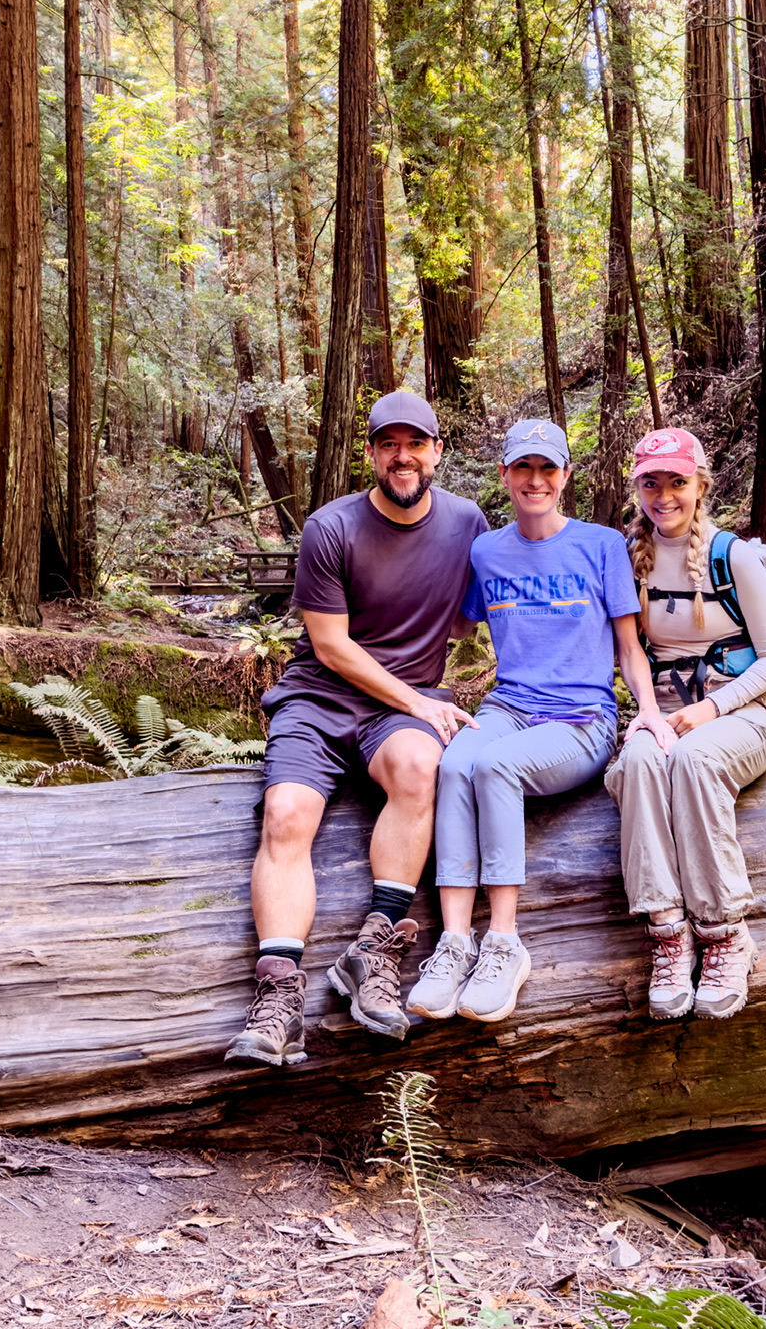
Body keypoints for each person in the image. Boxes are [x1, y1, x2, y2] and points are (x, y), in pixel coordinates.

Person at [225, 390, 488, 1068]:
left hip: (401, 710)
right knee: (285, 813)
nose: (403, 457)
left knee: (419, 770)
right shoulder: (330, 527)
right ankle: (279, 995)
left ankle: (373, 949)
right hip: (318, 697)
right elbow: (333, 645)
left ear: (437, 451)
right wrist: (421, 700)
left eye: (416, 444)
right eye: (388, 445)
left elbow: (474, 615)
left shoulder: (467, 523)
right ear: (371, 454)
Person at [406, 419, 662, 1027]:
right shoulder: (487, 551)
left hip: (582, 719)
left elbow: (629, 649)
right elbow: (455, 624)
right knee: (456, 760)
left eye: (549, 469)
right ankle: (453, 944)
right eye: (524, 468)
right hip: (509, 707)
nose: (536, 480)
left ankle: (503, 943)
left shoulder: (601, 546)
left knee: (494, 765)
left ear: (566, 477)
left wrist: (649, 715)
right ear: (505, 476)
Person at [604, 426, 766, 1022]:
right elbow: (629, 654)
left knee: (696, 759)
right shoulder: (629, 560)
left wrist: (711, 709)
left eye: (677, 482)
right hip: (662, 711)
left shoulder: (732, 556)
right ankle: (666, 930)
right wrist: (648, 717)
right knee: (636, 762)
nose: (664, 496)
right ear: (636, 489)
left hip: (740, 712)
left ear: (700, 486)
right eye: (651, 483)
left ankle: (723, 930)